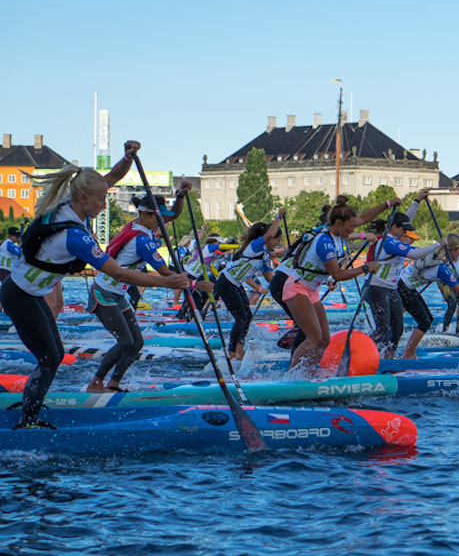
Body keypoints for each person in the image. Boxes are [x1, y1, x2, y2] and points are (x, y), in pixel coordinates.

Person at [0, 142, 190, 429]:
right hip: (18, 295)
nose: (104, 205)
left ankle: (31, 409)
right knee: (50, 358)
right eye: (101, 200)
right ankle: (27, 421)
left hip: (31, 292)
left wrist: (128, 158)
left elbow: (112, 176)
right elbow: (121, 274)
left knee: (55, 355)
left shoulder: (70, 200)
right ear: (84, 198)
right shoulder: (77, 236)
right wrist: (166, 281)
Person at [86, 189, 208, 393]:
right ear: (146, 214)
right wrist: (195, 285)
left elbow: (174, 215)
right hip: (103, 293)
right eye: (158, 218)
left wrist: (179, 197)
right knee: (125, 341)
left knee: (137, 343)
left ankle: (114, 383)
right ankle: (96, 383)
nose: (163, 223)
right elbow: (165, 273)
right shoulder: (142, 240)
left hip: (118, 295)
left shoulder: (139, 227)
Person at [269, 198, 398, 354]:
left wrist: (388, 204)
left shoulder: (336, 233)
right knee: (310, 332)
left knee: (319, 336)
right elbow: (335, 270)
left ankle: (305, 365)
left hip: (305, 282)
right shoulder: (324, 237)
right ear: (338, 223)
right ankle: (295, 368)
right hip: (286, 279)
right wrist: (363, 259)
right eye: (351, 226)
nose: (353, 229)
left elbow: (363, 219)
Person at [396, 216, 459, 358]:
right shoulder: (442, 268)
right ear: (452, 249)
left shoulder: (440, 253)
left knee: (426, 319)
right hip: (401, 286)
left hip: (405, 286)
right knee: (425, 321)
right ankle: (407, 353)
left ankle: (402, 349)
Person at [367, 192, 446, 358]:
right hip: (377, 288)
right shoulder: (388, 242)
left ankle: (388, 359)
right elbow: (416, 254)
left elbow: (405, 219)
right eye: (403, 229)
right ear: (394, 227)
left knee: (397, 329)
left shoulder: (395, 235)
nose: (405, 233)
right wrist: (438, 244)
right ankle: (359, 355)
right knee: (383, 330)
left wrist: (417, 201)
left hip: (392, 289)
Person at [214, 209, 285, 361]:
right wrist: (279, 217)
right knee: (240, 317)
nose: (278, 243)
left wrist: (286, 284)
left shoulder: (265, 255)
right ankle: (232, 353)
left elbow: (269, 277)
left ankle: (240, 348)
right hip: (226, 282)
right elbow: (270, 235)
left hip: (235, 284)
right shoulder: (255, 246)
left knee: (247, 316)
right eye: (277, 240)